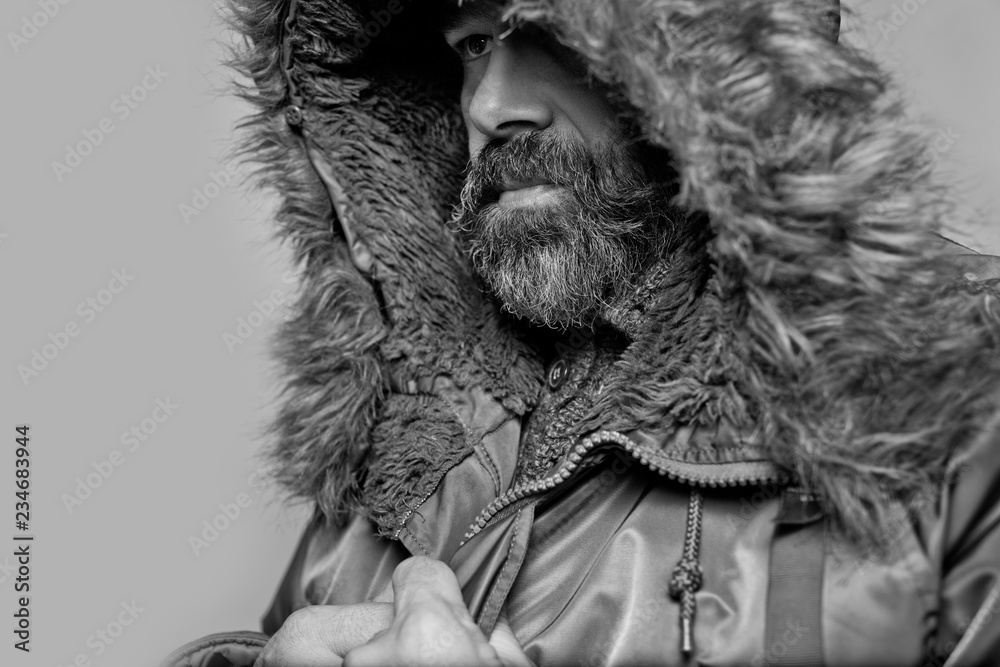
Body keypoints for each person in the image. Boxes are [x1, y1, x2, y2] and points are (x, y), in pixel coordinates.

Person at [166, 0, 1000, 665]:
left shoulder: (963, 377)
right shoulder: (406, 422)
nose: (490, 106)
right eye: (472, 45)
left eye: (555, 33)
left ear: (720, 59)